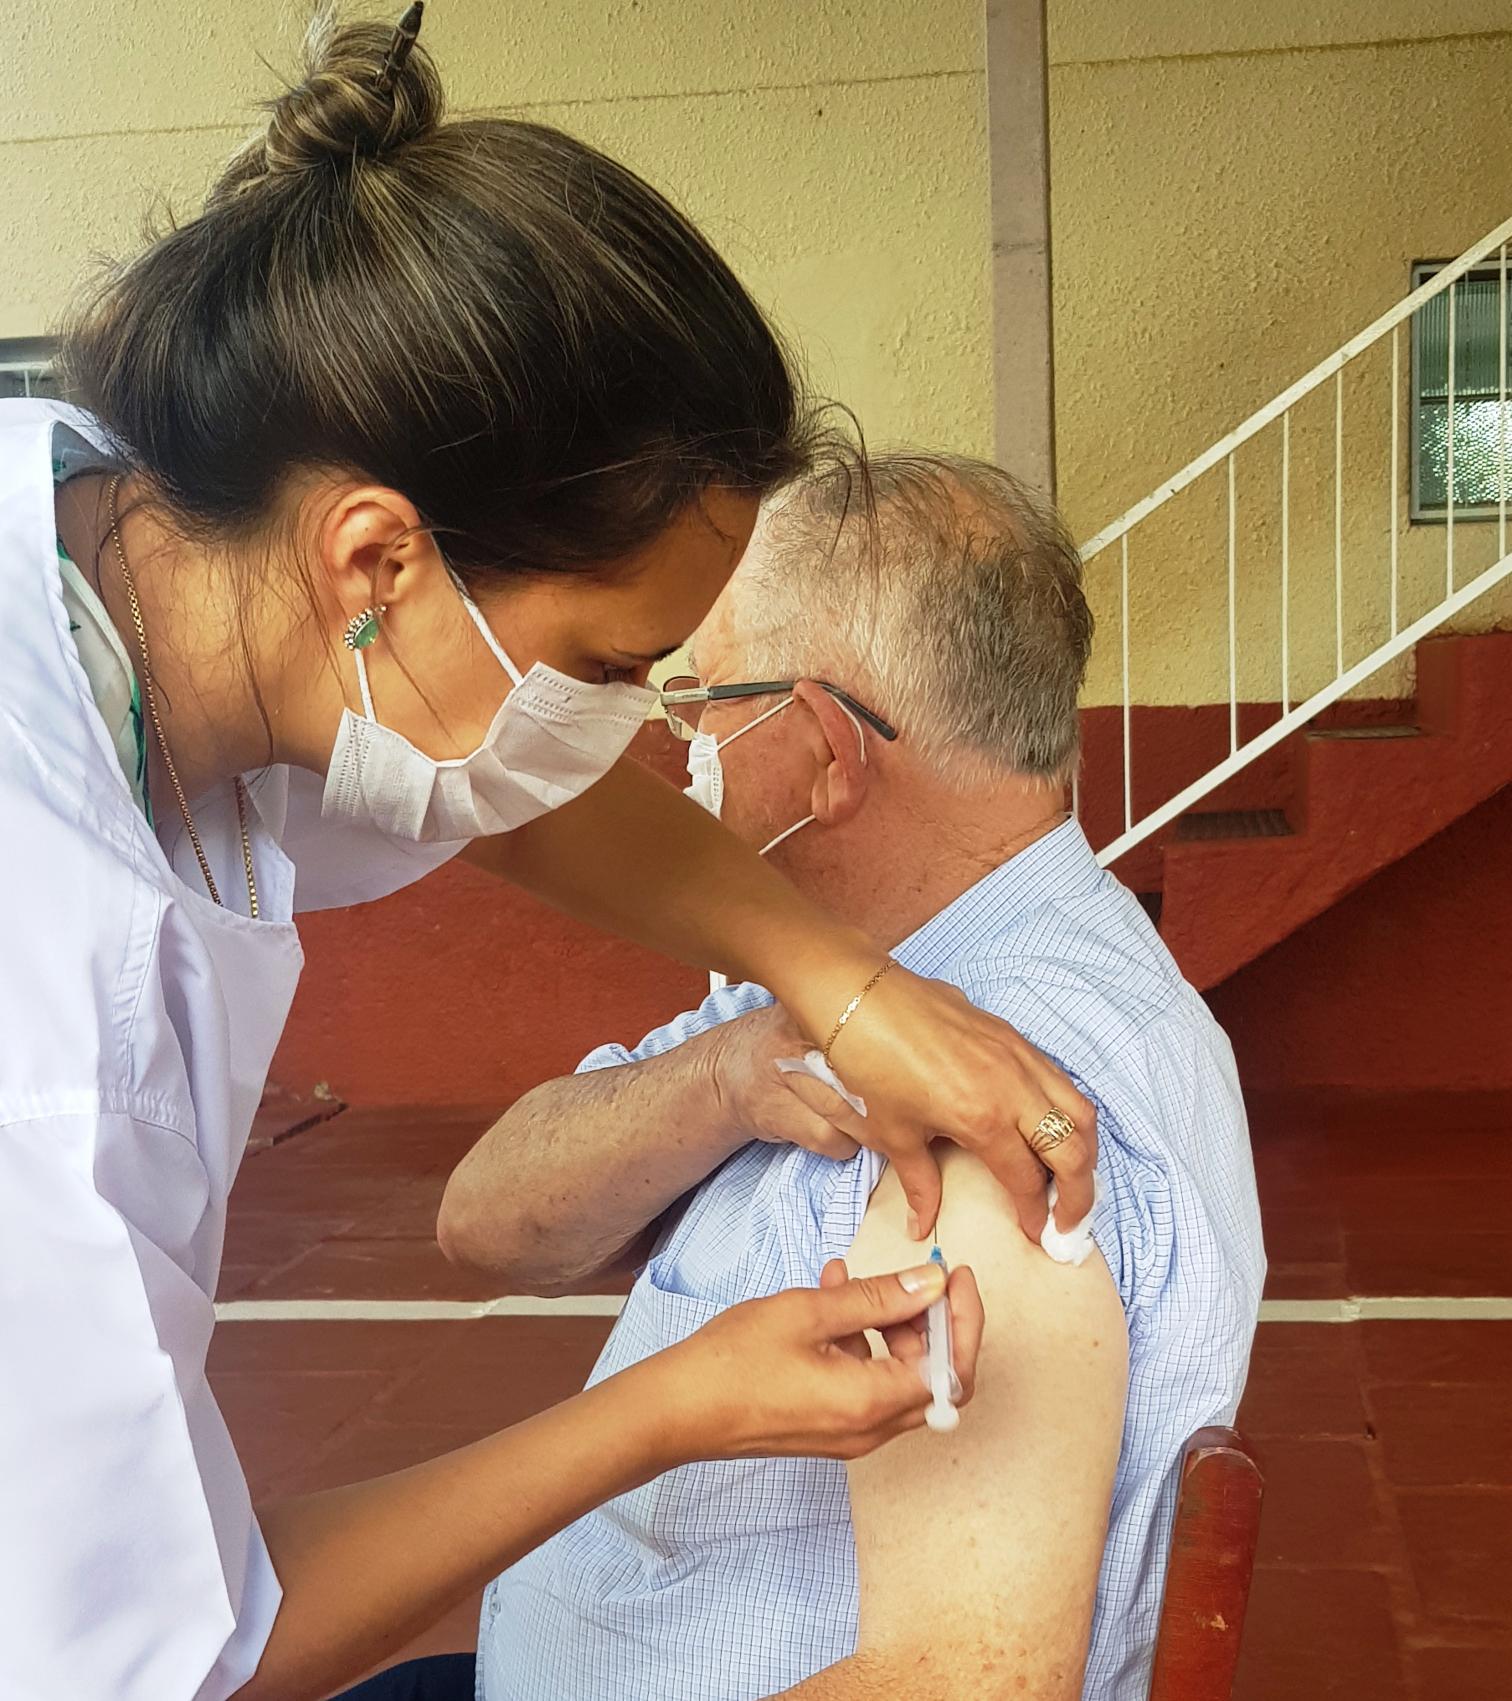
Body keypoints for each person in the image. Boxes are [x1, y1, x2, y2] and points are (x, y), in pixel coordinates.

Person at [0, 10, 1118, 1699]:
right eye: (605, 665)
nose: (620, 728)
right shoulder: (46, 1034)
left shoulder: (147, 561)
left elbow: (505, 774)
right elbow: (177, 1657)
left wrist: (848, 985)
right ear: (375, 561)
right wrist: (674, 1406)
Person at [442, 454, 1267, 1701]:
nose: (685, 749)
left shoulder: (986, 1127)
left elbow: (967, 1686)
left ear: (824, 747)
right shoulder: (842, 980)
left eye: (698, 703)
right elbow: (484, 1224)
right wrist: (727, 1076)